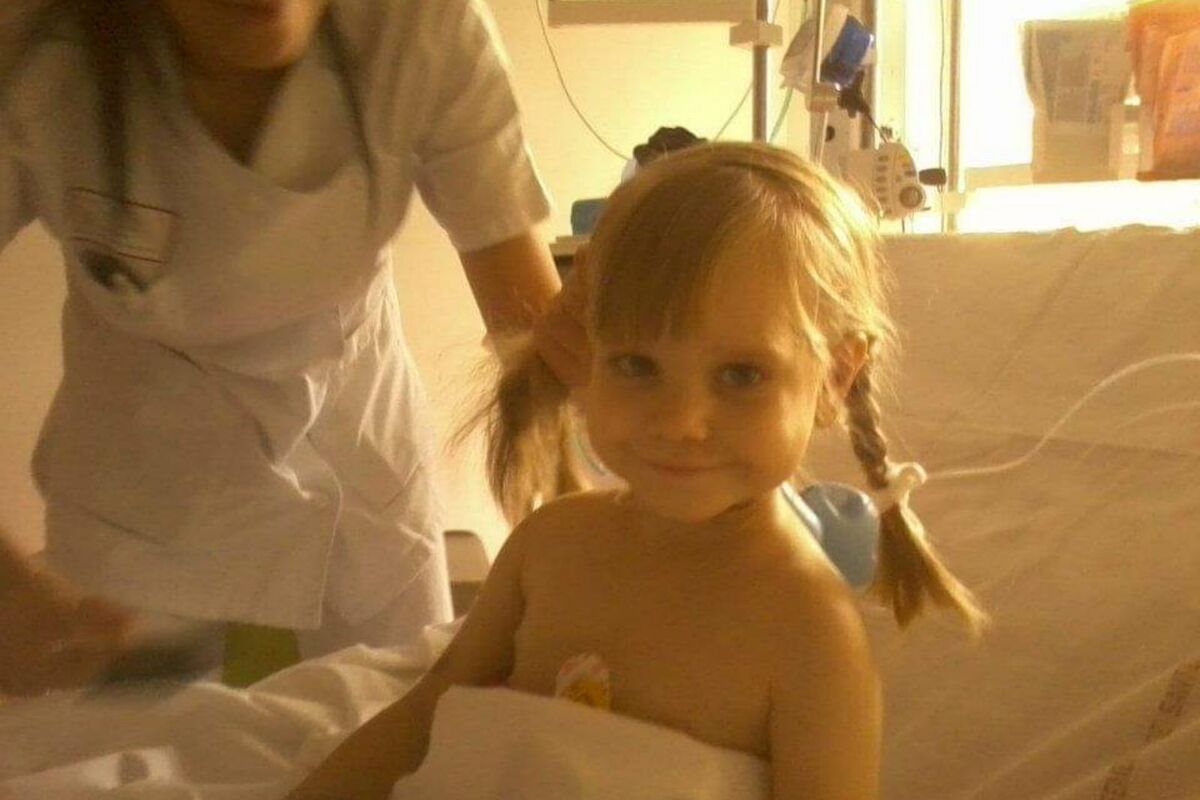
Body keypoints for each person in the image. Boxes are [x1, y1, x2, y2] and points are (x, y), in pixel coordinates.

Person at [285, 141, 985, 800]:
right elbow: (428, 717)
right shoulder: (549, 546)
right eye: (638, 365)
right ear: (590, 353)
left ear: (835, 376)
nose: (681, 421)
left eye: (741, 375)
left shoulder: (809, 633)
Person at [0, 0, 577, 692]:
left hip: (362, 479)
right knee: (131, 749)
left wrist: (594, 545)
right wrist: (9, 586)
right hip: (141, 514)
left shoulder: (421, 26)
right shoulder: (30, 53)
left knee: (396, 727)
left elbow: (534, 341)